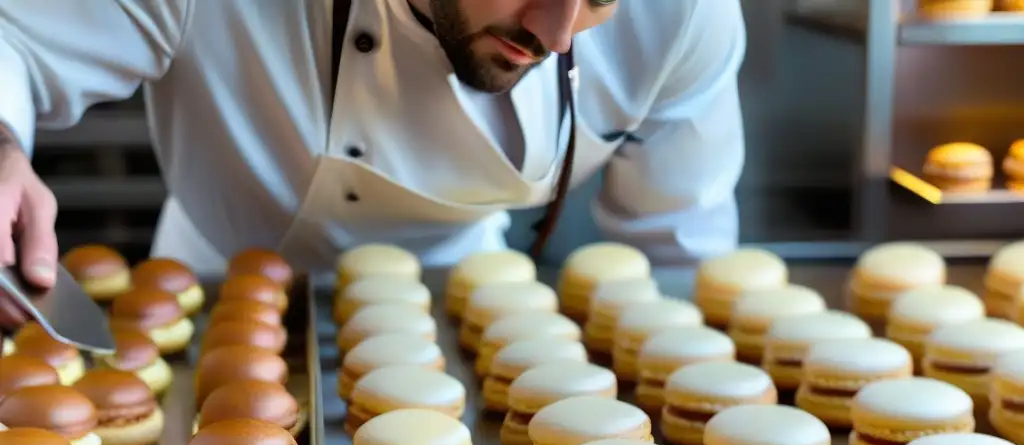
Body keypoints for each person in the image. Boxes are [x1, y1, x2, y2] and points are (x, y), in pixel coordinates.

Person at [0, 0, 745, 289]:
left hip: (473, 313)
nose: (556, 32)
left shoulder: (684, 17)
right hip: (211, 290)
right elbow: (16, 43)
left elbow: (681, 259)